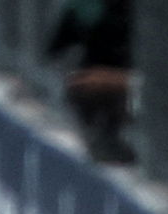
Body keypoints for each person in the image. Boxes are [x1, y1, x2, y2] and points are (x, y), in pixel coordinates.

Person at [44, 0, 134, 166]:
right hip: (124, 81)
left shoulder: (84, 7)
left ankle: (99, 136)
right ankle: (107, 137)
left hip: (97, 80)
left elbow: (56, 47)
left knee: (86, 86)